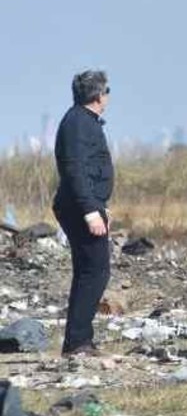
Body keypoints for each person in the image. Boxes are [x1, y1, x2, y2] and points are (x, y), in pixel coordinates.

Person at [53, 70, 115, 356]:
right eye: (107, 91)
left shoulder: (84, 121)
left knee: (88, 271)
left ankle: (77, 340)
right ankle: (77, 341)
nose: (108, 97)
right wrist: (90, 211)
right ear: (98, 95)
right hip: (79, 207)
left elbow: (91, 171)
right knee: (96, 271)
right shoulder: (78, 122)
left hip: (86, 204)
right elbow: (74, 169)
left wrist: (100, 206)